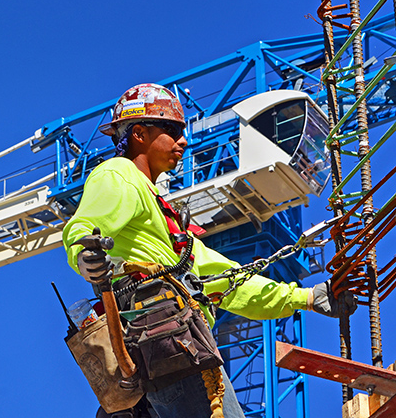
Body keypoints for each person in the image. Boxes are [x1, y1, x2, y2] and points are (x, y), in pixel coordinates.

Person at [62, 83, 355, 418]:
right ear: (139, 133)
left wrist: (305, 298)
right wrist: (87, 258)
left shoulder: (171, 230)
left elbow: (228, 280)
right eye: (171, 130)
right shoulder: (119, 174)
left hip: (165, 359)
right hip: (169, 350)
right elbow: (85, 229)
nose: (182, 141)